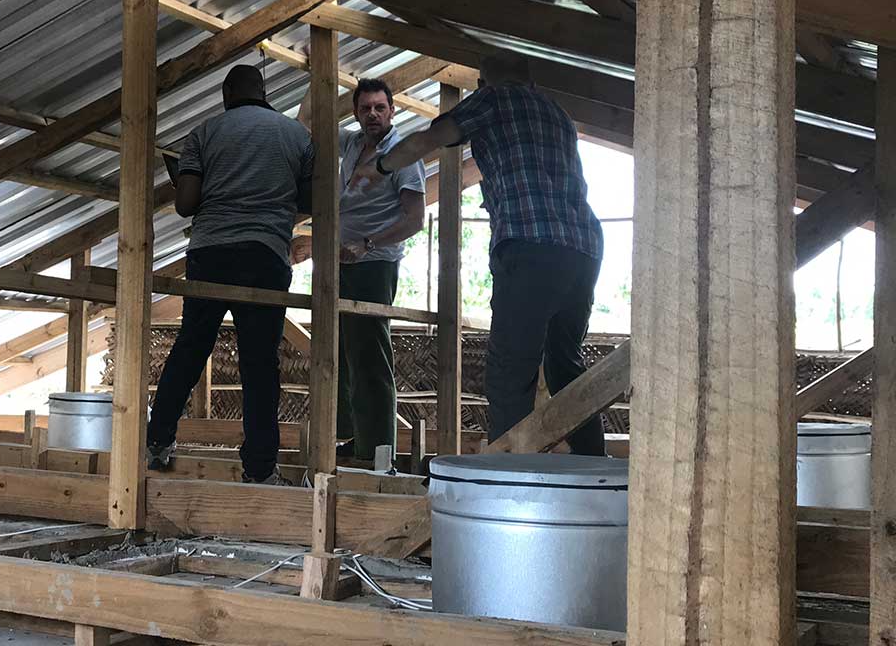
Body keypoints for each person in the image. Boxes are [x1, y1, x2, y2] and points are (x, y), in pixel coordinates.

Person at [352, 52, 605, 455]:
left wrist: (378, 167)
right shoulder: (556, 112)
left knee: (510, 373)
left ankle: (508, 485)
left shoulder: (494, 100)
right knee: (565, 365)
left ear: (484, 83)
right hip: (584, 248)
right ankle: (596, 468)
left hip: (531, 243)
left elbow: (428, 139)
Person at [146, 64, 314, 485]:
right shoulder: (296, 135)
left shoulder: (202, 133)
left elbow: (186, 204)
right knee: (260, 364)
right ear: (263, 92)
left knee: (191, 346)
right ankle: (259, 470)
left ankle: (157, 442)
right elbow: (310, 199)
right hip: (265, 256)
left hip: (210, 253)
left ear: (226, 95)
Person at [293, 78, 425, 462]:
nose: (373, 114)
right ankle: (352, 436)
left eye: (379, 108)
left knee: (369, 356)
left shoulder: (402, 153)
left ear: (392, 111)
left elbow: (414, 219)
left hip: (374, 265)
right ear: (355, 112)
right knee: (342, 352)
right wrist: (315, 71)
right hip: (340, 262)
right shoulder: (351, 143)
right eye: (365, 108)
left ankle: (378, 451)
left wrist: (368, 243)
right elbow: (305, 121)